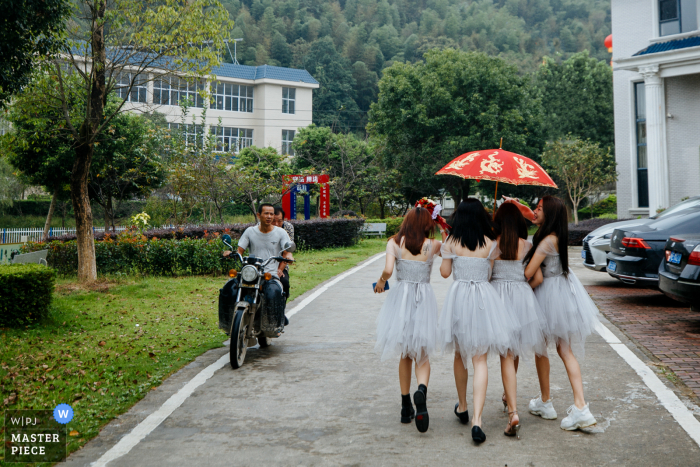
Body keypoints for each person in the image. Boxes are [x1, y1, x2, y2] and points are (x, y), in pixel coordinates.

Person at [505, 195, 600, 431]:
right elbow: (531, 216)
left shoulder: (547, 241)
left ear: (549, 214)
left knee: (548, 349)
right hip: (563, 291)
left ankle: (563, 404)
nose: (534, 212)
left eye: (539, 209)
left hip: (549, 294)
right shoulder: (556, 234)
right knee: (561, 349)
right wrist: (519, 206)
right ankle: (567, 405)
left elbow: (528, 271)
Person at [438, 199, 519, 444]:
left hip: (459, 299)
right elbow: (489, 273)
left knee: (460, 355)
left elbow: (444, 273)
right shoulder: (490, 243)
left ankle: (462, 406)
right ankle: (477, 420)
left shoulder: (451, 242)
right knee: (480, 359)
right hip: (484, 299)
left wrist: (446, 248)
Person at [374, 207, 445, 433]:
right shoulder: (433, 245)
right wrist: (444, 227)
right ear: (427, 224)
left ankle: (406, 407)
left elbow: (387, 269)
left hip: (401, 299)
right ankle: (421, 390)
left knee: (405, 353)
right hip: (423, 298)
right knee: (422, 352)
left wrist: (380, 282)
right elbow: (452, 249)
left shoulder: (394, 242)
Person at [491, 202, 547, 438]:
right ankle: (508, 395)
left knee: (506, 353)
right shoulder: (528, 245)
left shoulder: (493, 246)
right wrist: (523, 289)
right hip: (522, 300)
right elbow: (539, 279)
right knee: (511, 351)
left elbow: (486, 276)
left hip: (498, 301)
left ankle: (513, 410)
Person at [234, 203, 294, 331]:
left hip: (270, 273)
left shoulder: (281, 232)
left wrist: (289, 256)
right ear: (258, 215)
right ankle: (230, 323)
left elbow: (287, 250)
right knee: (229, 289)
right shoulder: (250, 231)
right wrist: (233, 254)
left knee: (273, 292)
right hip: (252, 273)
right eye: (266, 213)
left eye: (271, 214)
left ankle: (274, 324)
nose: (269, 216)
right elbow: (240, 249)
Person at [273, 206, 294, 303]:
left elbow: (287, 250)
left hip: (281, 262)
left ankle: (281, 307)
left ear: (284, 219)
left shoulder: (288, 228)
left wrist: (280, 269)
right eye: (273, 221)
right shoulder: (260, 227)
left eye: (279, 221)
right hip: (264, 263)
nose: (276, 224)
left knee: (284, 282)